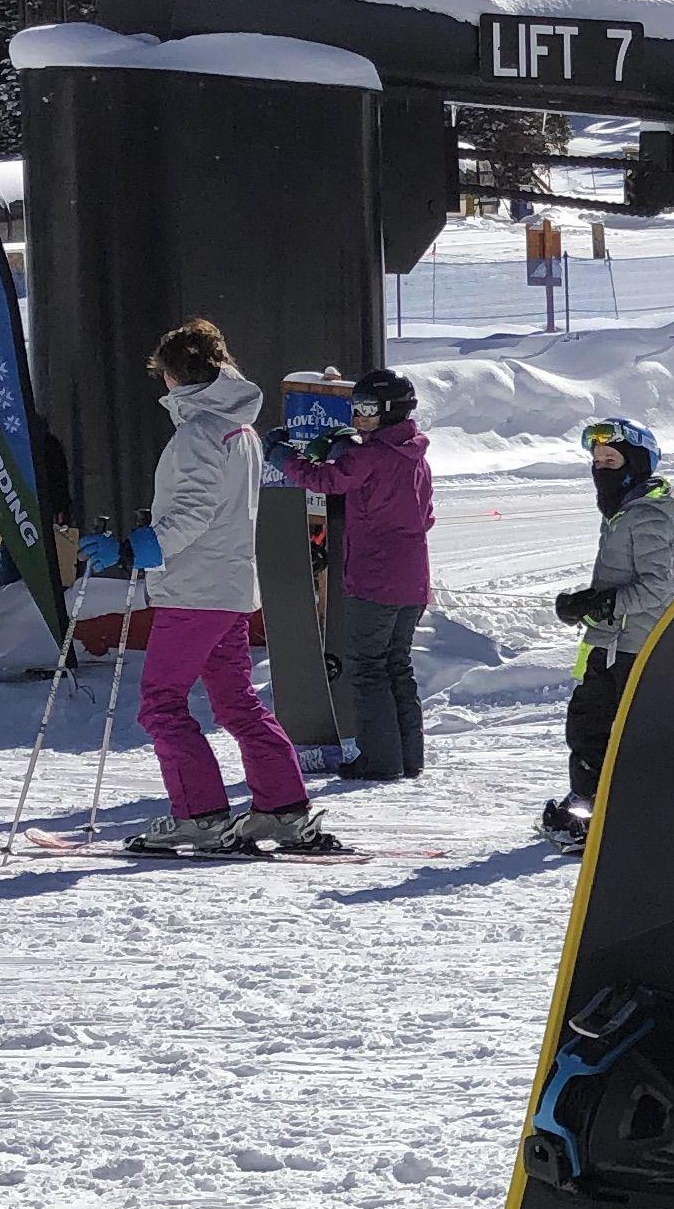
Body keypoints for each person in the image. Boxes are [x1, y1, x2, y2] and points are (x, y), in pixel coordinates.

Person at [109, 318, 336, 861]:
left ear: (173, 376)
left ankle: (200, 816)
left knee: (162, 704)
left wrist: (141, 546)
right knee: (236, 702)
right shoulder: (240, 429)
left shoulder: (200, 432)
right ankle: (284, 808)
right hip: (230, 588)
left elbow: (193, 511)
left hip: (195, 590)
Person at [277, 368, 434, 784]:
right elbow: (426, 515)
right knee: (397, 664)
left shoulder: (369, 456)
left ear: (389, 411)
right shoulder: (415, 455)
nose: (358, 416)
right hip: (412, 579)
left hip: (375, 579)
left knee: (369, 668)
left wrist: (283, 458)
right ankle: (407, 755)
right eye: (355, 407)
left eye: (366, 408)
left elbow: (324, 479)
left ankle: (380, 760)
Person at [540, 416, 674, 842]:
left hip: (633, 647)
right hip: (610, 642)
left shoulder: (648, 515)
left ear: (636, 463)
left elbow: (658, 587)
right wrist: (585, 603)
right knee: (588, 727)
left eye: (612, 458)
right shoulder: (624, 510)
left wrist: (604, 604)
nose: (602, 467)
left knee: (608, 731)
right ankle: (588, 807)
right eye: (597, 459)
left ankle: (609, 819)